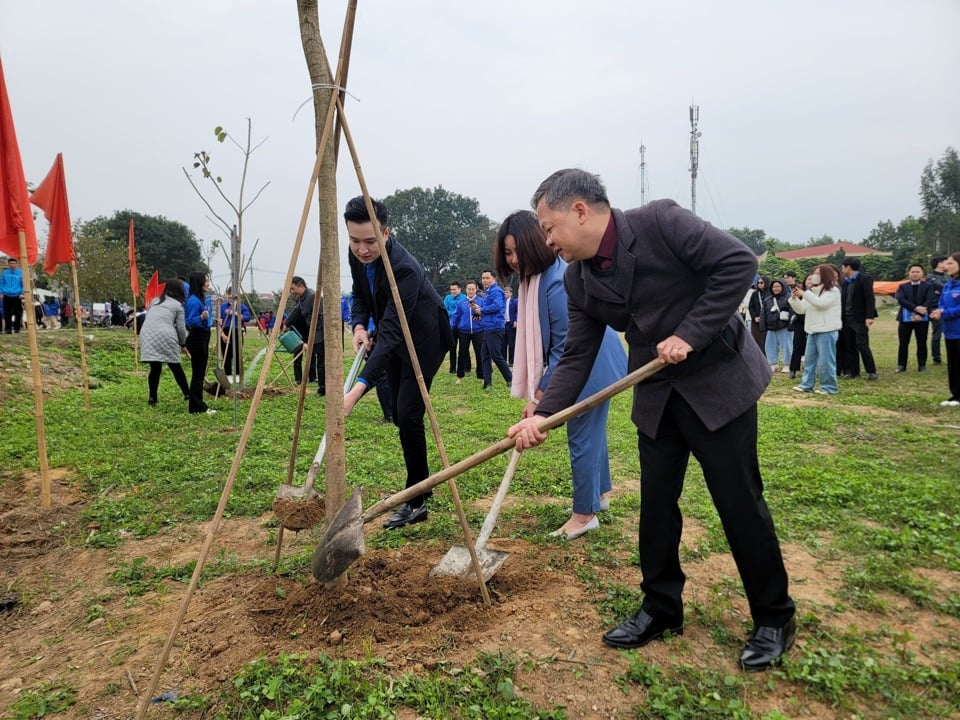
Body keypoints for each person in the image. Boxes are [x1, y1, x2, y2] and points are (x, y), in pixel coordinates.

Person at [509, 169, 795, 671]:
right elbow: (577, 352)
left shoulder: (661, 222)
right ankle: (661, 608)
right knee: (657, 505)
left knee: (739, 501)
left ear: (579, 211)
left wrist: (690, 333)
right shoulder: (578, 278)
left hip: (718, 385)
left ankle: (774, 616)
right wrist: (545, 413)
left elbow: (737, 263)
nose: (547, 240)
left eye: (549, 227)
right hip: (658, 394)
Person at [495, 210, 626, 539]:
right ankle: (598, 496)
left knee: (581, 434)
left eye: (518, 250)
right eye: (507, 252)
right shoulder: (534, 280)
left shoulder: (555, 282)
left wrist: (539, 399)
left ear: (537, 243)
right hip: (592, 360)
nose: (513, 259)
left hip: (590, 364)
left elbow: (566, 348)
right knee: (593, 431)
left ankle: (584, 515)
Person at [342, 195, 453, 529]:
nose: (362, 250)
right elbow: (360, 295)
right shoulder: (356, 254)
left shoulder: (403, 268)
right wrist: (360, 325)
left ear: (386, 233)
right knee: (396, 411)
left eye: (371, 242)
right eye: (355, 240)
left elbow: (391, 333)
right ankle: (418, 492)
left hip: (424, 340)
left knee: (408, 415)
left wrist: (355, 392)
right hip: (394, 338)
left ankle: (417, 500)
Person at [789, 264, 842, 395]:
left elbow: (821, 304)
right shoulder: (813, 292)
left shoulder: (833, 291)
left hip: (827, 330)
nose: (814, 276)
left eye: (818, 273)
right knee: (809, 360)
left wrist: (805, 293)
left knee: (826, 361)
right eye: (814, 273)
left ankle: (829, 387)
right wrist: (794, 298)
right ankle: (807, 384)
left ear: (825, 275)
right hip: (812, 330)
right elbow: (802, 309)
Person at [139, 278, 192, 406]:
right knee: (175, 365)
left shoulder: (154, 301)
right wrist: (183, 344)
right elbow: (180, 328)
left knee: (155, 367)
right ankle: (187, 393)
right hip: (165, 334)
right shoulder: (177, 305)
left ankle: (152, 398)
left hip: (147, 334)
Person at [283, 276, 325, 395]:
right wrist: (286, 324)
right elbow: (296, 311)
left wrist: (320, 332)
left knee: (321, 362)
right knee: (317, 360)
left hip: (320, 333)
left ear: (301, 286)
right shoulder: (302, 299)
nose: (292, 292)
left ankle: (323, 389)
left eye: (293, 288)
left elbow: (322, 315)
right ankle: (322, 386)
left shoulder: (312, 296)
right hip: (313, 333)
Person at [839, 257, 878, 380]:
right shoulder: (845, 282)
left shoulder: (864, 279)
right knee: (850, 345)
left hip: (859, 318)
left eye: (843, 266)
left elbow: (870, 299)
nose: (842, 269)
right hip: (846, 318)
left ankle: (871, 371)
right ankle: (853, 371)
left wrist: (869, 316)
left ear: (848, 267)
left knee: (862, 344)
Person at [929, 252, 960, 407]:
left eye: (949, 263)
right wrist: (939, 311)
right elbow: (941, 303)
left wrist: (945, 313)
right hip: (949, 330)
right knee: (953, 363)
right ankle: (954, 395)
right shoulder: (948, 285)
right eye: (945, 263)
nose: (945, 266)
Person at [184, 271, 215, 415]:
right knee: (198, 375)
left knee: (200, 374)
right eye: (206, 281)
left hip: (203, 336)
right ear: (199, 283)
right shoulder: (193, 301)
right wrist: (201, 317)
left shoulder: (201, 298)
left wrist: (211, 320)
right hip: (196, 338)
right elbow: (190, 321)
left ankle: (199, 404)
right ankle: (196, 407)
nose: (208, 283)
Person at [894, 264, 934, 373]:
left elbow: (929, 300)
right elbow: (901, 299)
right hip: (905, 319)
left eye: (917, 271)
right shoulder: (902, 286)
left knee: (921, 342)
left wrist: (920, 314)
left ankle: (922, 365)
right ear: (909, 273)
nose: (915, 274)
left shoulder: (928, 286)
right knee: (903, 342)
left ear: (922, 273)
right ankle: (901, 365)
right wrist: (916, 308)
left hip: (922, 319)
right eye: (913, 271)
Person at [477, 270, 513, 389]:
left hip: (494, 327)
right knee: (485, 355)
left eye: (487, 278)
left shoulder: (496, 291)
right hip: (488, 327)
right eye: (483, 278)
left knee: (496, 355)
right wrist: (479, 311)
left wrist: (482, 310)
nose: (485, 280)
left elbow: (497, 306)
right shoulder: (489, 292)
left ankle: (510, 378)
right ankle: (487, 382)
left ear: (494, 279)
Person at [450, 281, 482, 384]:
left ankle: (481, 376)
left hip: (478, 331)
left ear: (476, 289)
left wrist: (478, 311)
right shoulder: (461, 303)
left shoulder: (481, 301)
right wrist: (451, 326)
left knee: (479, 353)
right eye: (469, 289)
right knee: (462, 353)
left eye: (473, 289)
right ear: (466, 290)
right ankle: (460, 376)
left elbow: (485, 314)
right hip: (464, 331)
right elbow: (456, 316)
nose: (471, 291)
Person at [218, 286, 252, 379]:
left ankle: (237, 376)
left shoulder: (241, 306)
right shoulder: (222, 307)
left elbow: (247, 317)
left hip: (237, 331)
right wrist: (222, 335)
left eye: (232, 294)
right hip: (225, 331)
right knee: (226, 355)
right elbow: (217, 322)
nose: (230, 296)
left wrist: (234, 312)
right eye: (229, 294)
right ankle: (228, 376)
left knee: (237, 354)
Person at [760, 279, 794, 372]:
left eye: (778, 286)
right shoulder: (768, 299)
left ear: (783, 287)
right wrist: (763, 326)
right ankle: (773, 364)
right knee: (770, 346)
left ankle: (787, 364)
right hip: (771, 327)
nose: (776, 288)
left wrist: (791, 324)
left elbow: (792, 312)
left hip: (784, 326)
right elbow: (763, 314)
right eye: (774, 286)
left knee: (786, 346)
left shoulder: (788, 297)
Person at [927, 257, 948, 366]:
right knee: (937, 333)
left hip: (948, 307)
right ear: (939, 264)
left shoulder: (948, 277)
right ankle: (936, 357)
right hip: (935, 308)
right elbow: (944, 288)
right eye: (945, 262)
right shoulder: (931, 277)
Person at [1, 257, 24, 334]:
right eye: (10, 263)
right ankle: (8, 329)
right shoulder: (5, 273)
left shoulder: (20, 273)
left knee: (18, 313)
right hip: (6, 295)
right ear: (8, 264)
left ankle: (17, 328)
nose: (12, 265)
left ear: (16, 264)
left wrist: (22, 293)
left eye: (14, 263)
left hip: (17, 295)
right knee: (7, 313)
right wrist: (1, 293)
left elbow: (23, 284)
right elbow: (1, 283)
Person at [444, 281, 463, 373]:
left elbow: (464, 311)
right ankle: (452, 368)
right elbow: (444, 310)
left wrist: (452, 312)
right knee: (452, 347)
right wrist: (455, 313)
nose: (453, 291)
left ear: (459, 289)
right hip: (451, 326)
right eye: (451, 289)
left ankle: (466, 367)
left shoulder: (464, 298)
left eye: (454, 289)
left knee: (463, 348)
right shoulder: (447, 298)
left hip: (462, 326)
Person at [748, 276, 768, 349]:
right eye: (758, 283)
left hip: (767, 321)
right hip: (756, 320)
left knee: (766, 341)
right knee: (756, 339)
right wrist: (754, 317)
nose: (759, 284)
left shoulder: (770, 293)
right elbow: (751, 306)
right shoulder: (755, 294)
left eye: (761, 283)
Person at [503, 285, 518, 366]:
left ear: (511, 293)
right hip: (504, 324)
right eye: (504, 292)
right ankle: (503, 361)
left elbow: (517, 311)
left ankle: (511, 361)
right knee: (503, 343)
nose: (505, 293)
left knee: (511, 343)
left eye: (507, 292)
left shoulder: (515, 301)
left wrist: (516, 320)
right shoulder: (502, 301)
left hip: (511, 324)